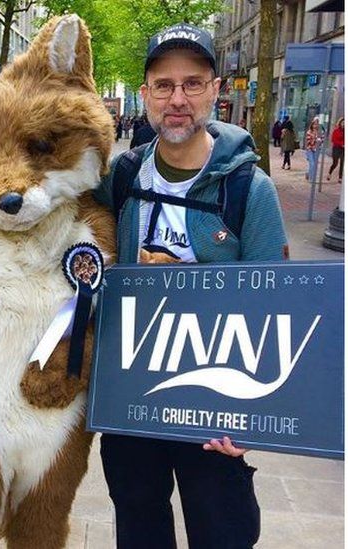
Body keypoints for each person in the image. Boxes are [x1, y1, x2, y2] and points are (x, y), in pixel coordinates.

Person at [94, 22, 288, 549]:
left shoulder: (251, 187)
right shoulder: (122, 176)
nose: (177, 99)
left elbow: (277, 305)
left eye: (193, 83)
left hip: (216, 403)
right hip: (135, 394)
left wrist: (256, 418)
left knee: (222, 530)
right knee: (138, 521)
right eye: (164, 85)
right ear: (146, 94)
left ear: (216, 90)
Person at [304, 117, 322, 182]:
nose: (315, 125)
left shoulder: (319, 132)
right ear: (312, 124)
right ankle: (311, 179)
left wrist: (320, 141)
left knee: (315, 164)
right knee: (312, 164)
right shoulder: (309, 132)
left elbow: (322, 140)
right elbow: (308, 141)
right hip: (310, 149)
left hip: (317, 150)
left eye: (317, 124)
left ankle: (308, 174)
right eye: (314, 124)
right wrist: (315, 140)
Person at [327, 117, 344, 183]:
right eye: (343, 123)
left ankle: (340, 178)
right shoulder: (336, 130)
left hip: (343, 149)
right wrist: (341, 144)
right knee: (335, 163)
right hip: (336, 148)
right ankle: (329, 173)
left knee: (342, 163)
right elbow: (333, 140)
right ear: (340, 123)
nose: (344, 124)